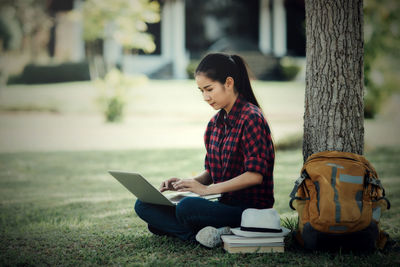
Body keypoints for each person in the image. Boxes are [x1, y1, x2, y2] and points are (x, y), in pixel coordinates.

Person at [134, 53, 275, 248]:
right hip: (222, 205)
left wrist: (207, 190)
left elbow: (255, 176)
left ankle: (190, 232)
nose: (205, 97)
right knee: (144, 205)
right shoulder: (214, 125)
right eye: (201, 91)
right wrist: (186, 184)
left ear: (228, 83)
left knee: (186, 209)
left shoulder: (251, 118)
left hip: (250, 210)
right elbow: (211, 172)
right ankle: (202, 235)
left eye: (209, 89)